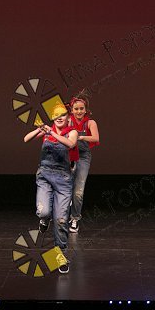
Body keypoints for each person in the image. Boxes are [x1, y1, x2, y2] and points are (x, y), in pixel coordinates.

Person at [23, 103, 78, 274]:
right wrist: (39, 130)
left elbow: (70, 144)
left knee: (61, 220)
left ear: (68, 117)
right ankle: (44, 220)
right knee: (44, 212)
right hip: (45, 176)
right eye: (56, 115)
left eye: (63, 115)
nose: (60, 118)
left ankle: (60, 255)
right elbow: (26, 139)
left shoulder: (72, 132)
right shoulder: (47, 131)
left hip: (63, 179)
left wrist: (52, 133)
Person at [66, 94, 100, 234]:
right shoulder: (68, 120)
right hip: (68, 155)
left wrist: (80, 137)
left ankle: (75, 218)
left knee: (78, 191)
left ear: (86, 110)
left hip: (83, 157)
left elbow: (96, 138)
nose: (79, 111)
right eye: (76, 109)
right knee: (65, 188)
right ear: (72, 110)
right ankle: (61, 216)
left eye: (81, 108)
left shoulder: (90, 123)